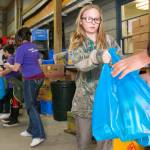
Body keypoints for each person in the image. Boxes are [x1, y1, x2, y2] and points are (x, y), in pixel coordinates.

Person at [68, 4, 120, 150]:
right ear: (81, 21)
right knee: (83, 141)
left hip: (107, 99)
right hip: (84, 101)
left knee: (106, 140)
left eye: (96, 19)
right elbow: (80, 64)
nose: (93, 23)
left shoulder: (108, 40)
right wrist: (98, 56)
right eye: (89, 19)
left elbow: (120, 59)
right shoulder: (76, 41)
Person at [5, 27, 46, 147]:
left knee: (30, 106)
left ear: (19, 38)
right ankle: (30, 130)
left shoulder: (20, 49)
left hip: (31, 79)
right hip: (40, 77)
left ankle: (39, 135)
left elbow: (16, 68)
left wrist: (8, 65)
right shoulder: (33, 46)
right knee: (32, 103)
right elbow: (39, 62)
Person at [0, 44, 22, 127]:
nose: (4, 54)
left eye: (4, 52)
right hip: (11, 84)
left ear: (6, 52)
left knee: (14, 102)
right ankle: (11, 117)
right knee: (11, 101)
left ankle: (14, 120)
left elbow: (9, 70)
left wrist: (1, 73)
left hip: (14, 84)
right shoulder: (13, 58)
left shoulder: (11, 58)